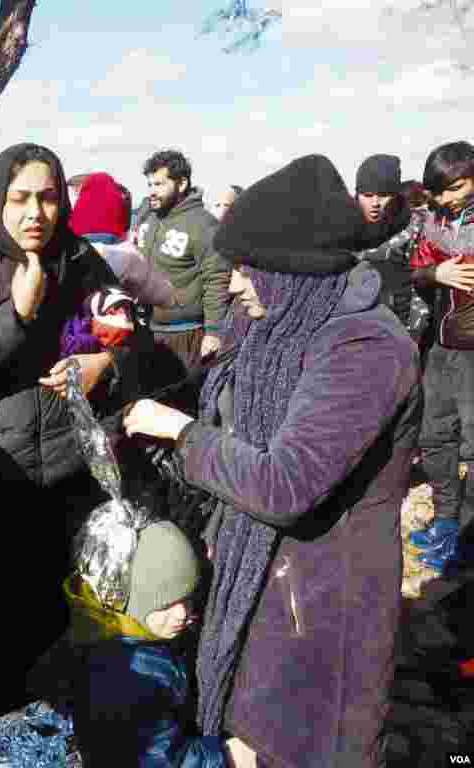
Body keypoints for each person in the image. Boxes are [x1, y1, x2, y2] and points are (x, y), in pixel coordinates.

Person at [123, 154, 421, 768]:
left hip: (319, 607)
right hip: (254, 577)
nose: (231, 284)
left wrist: (181, 436)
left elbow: (286, 484)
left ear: (293, 271)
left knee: (304, 746)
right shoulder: (275, 320)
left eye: (245, 269)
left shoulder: (367, 347)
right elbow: (215, 394)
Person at [0, 143, 144, 705]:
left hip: (72, 472)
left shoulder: (78, 258)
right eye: (20, 198)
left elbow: (131, 337)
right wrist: (15, 315)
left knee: (63, 611)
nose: (35, 214)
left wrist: (105, 364)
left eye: (47, 198)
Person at [66, 520, 244, 768]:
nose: (182, 613)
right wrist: (226, 756)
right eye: (165, 604)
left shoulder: (128, 633)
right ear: (135, 603)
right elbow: (160, 761)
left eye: (187, 598)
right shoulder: (132, 675)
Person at [407, 141, 474, 574]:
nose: (448, 197)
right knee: (434, 438)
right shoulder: (434, 220)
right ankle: (447, 520)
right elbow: (414, 271)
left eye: (457, 187)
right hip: (442, 346)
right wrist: (436, 273)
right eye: (441, 190)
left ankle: (468, 536)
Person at [136, 150, 229, 410]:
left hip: (186, 335)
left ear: (182, 183)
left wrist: (213, 331)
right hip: (148, 332)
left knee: (183, 407)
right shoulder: (149, 219)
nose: (152, 191)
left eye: (159, 184)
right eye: (150, 184)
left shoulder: (203, 225)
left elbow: (216, 278)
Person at [351, 154, 422, 328]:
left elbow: (422, 285)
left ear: (396, 196)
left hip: (403, 327)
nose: (375, 203)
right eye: (367, 195)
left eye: (383, 195)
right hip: (352, 328)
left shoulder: (415, 227)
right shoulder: (340, 228)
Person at [69, 172, 131, 246]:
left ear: (80, 185)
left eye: (75, 190)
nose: (75, 193)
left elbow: (74, 220)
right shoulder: (119, 192)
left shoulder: (85, 197)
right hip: (112, 236)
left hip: (83, 236)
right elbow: (125, 219)